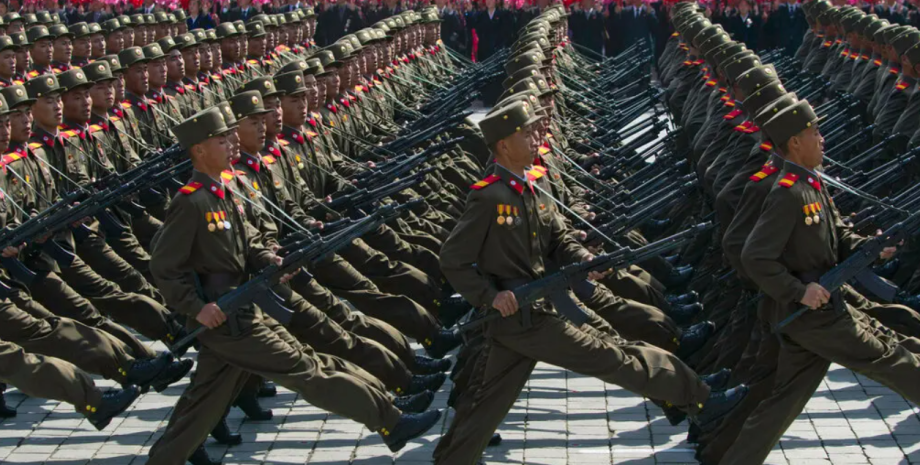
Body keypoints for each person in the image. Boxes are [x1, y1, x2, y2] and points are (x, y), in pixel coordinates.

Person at [434, 100, 748, 464]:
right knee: (614, 356)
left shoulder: (532, 185)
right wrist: (489, 295)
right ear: (503, 145)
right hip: (524, 317)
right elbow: (453, 259)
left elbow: (558, 239)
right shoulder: (489, 196)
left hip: (539, 307)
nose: (535, 137)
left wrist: (583, 260)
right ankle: (702, 400)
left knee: (483, 404)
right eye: (525, 133)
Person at [145, 105, 442, 465]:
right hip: (227, 319)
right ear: (199, 150)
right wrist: (195, 307)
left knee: (203, 399)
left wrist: (269, 260)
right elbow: (162, 266)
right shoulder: (190, 202)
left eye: (228, 137)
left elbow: (249, 240)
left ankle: (165, 458)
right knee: (307, 370)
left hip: (242, 308)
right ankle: (390, 422)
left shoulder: (223, 190)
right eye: (221, 140)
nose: (230, 144)